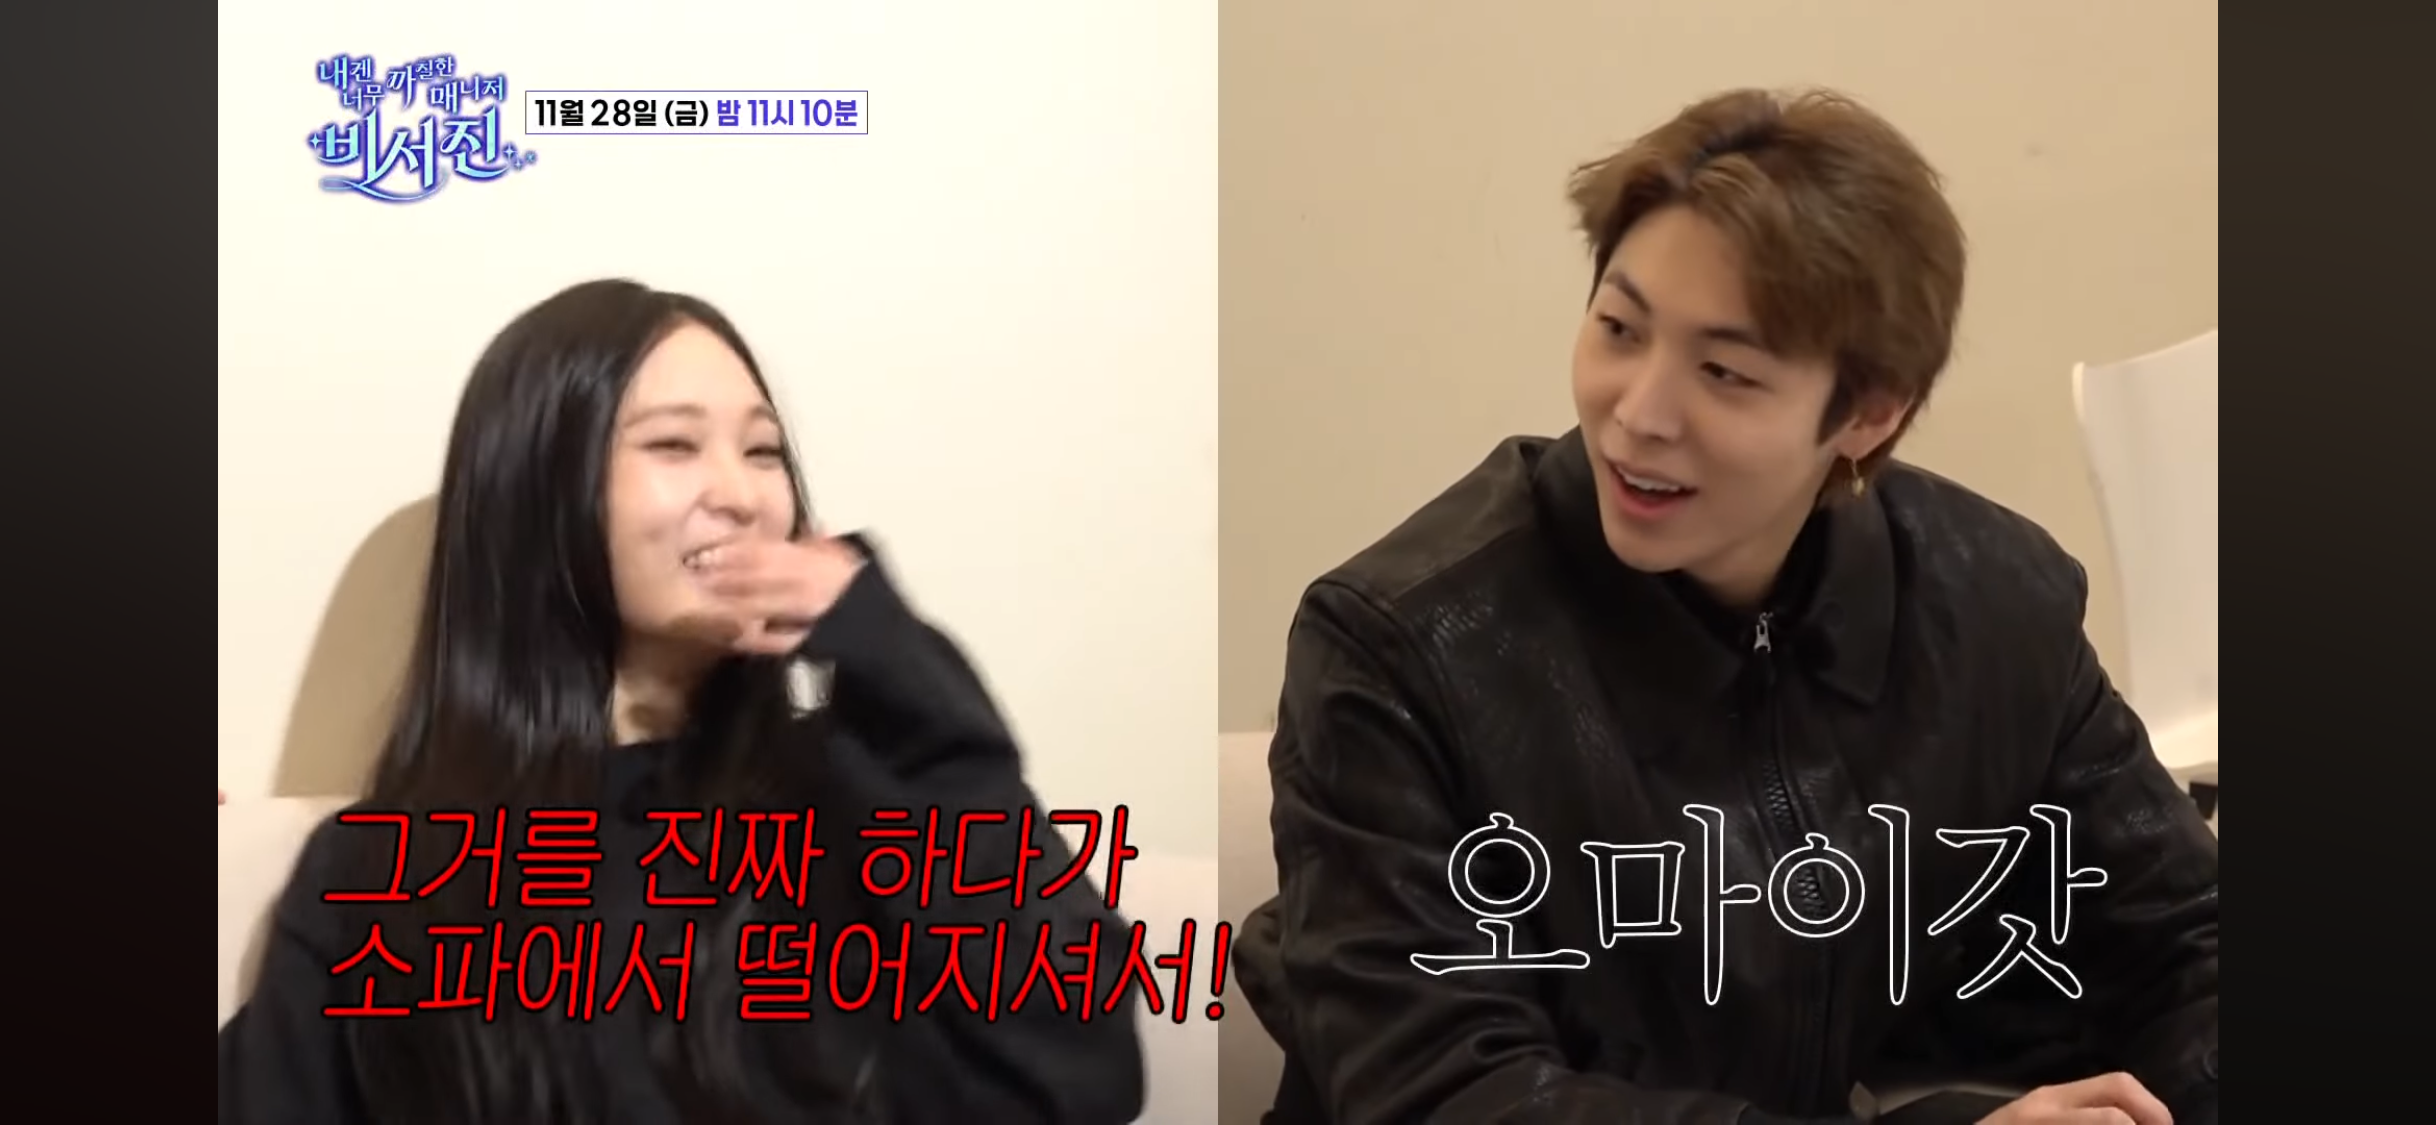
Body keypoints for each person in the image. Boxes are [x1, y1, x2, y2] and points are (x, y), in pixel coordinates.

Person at [1233, 89, 2218, 1125]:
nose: (1638, 414)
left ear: (1869, 413)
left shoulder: (1992, 604)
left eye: (1723, 371)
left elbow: (2189, 945)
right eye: (1618, 328)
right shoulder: (1397, 645)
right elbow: (1448, 1091)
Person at [216, 280, 1146, 1123]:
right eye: (673, 444)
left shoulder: (854, 805)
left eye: (764, 452)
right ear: (537, 491)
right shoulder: (385, 868)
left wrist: (903, 682)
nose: (741, 495)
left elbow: (1080, 1074)